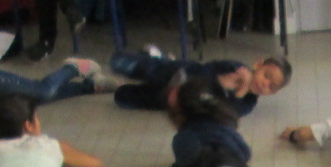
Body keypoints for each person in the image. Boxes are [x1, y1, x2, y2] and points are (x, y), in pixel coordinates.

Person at [108, 47, 291, 116]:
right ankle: (141, 60)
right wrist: (219, 81)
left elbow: (228, 113)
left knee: (138, 99)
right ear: (258, 65)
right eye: (266, 76)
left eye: (271, 87)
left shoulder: (248, 102)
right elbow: (206, 69)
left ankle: (122, 92)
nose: (265, 84)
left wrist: (239, 92)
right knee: (154, 70)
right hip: (182, 74)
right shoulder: (236, 67)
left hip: (183, 100)